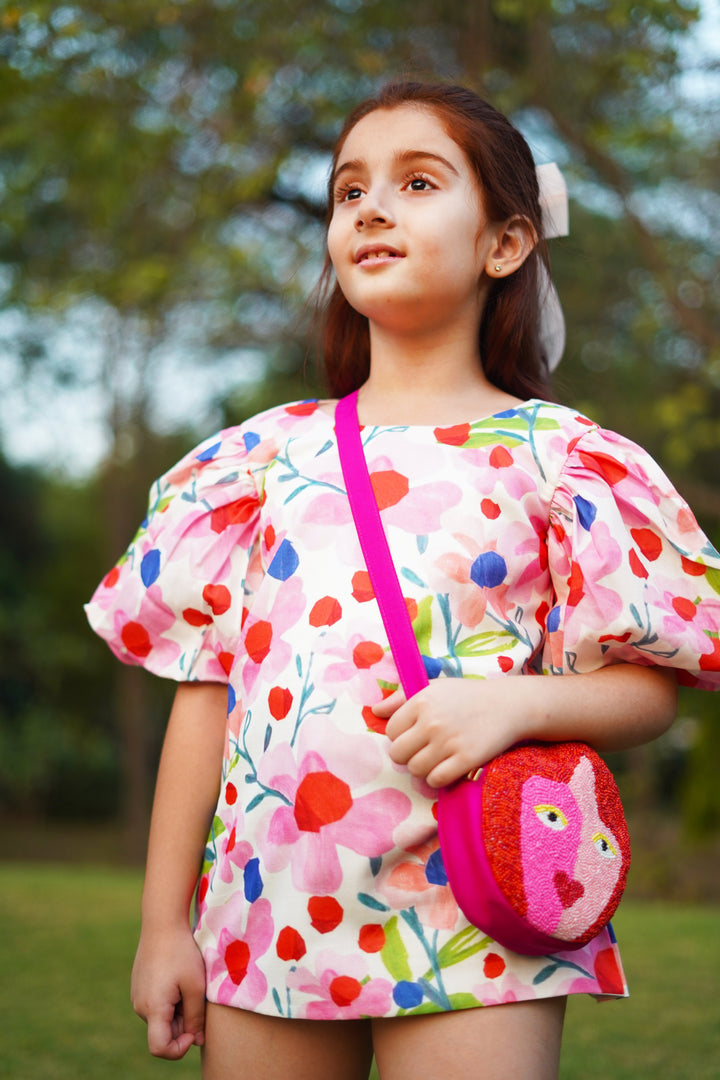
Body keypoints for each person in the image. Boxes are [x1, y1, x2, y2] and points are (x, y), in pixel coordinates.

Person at [86, 82, 720, 1080]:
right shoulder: (256, 463)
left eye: (418, 182)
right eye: (350, 192)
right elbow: (205, 700)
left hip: (477, 911)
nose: (371, 207)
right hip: (271, 910)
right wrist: (164, 925)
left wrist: (515, 704)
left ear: (504, 244)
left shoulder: (567, 461)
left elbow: (650, 690)